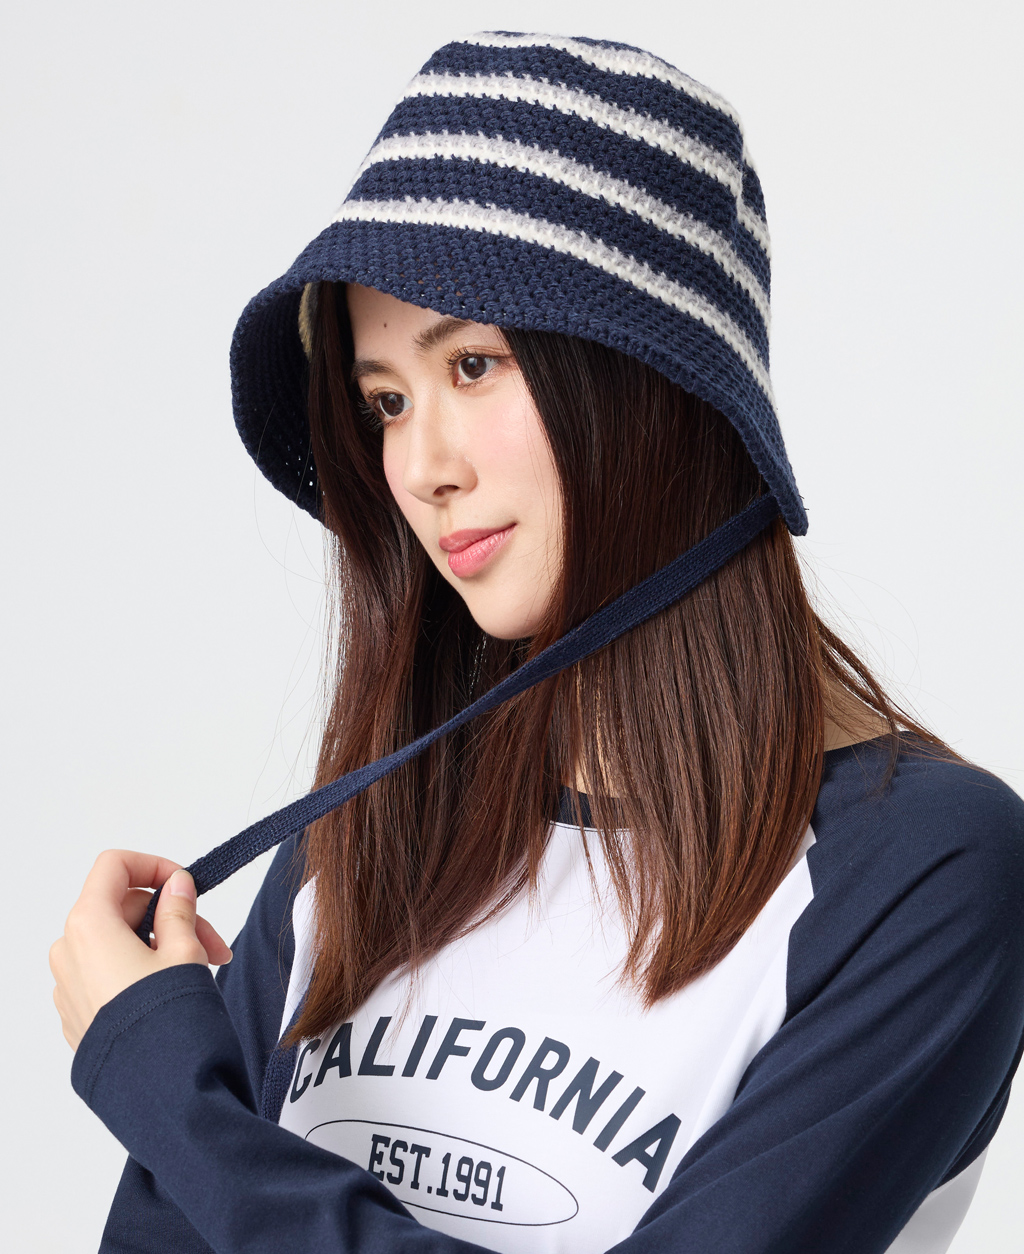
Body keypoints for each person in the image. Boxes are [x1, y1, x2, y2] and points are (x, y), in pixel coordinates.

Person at [50, 31, 1024, 1254]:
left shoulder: (922, 871)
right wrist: (180, 1100)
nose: (421, 466)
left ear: (655, 386)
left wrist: (169, 1094)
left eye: (473, 364)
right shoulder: (370, 831)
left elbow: (216, 1167)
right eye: (385, 400)